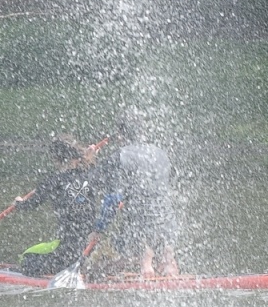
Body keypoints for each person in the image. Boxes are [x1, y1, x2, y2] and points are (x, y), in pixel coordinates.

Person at [16, 134, 108, 276]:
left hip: (67, 249)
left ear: (55, 159)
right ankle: (84, 266)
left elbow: (29, 205)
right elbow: (95, 171)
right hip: (89, 248)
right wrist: (91, 158)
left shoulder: (53, 181)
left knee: (27, 257)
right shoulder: (92, 174)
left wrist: (18, 203)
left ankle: (58, 267)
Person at [110, 118, 181, 278]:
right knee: (162, 228)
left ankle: (146, 263)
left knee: (129, 232)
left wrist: (98, 229)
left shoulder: (121, 155)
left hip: (140, 223)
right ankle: (168, 261)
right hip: (167, 221)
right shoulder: (160, 153)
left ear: (121, 136)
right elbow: (171, 180)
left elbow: (111, 196)